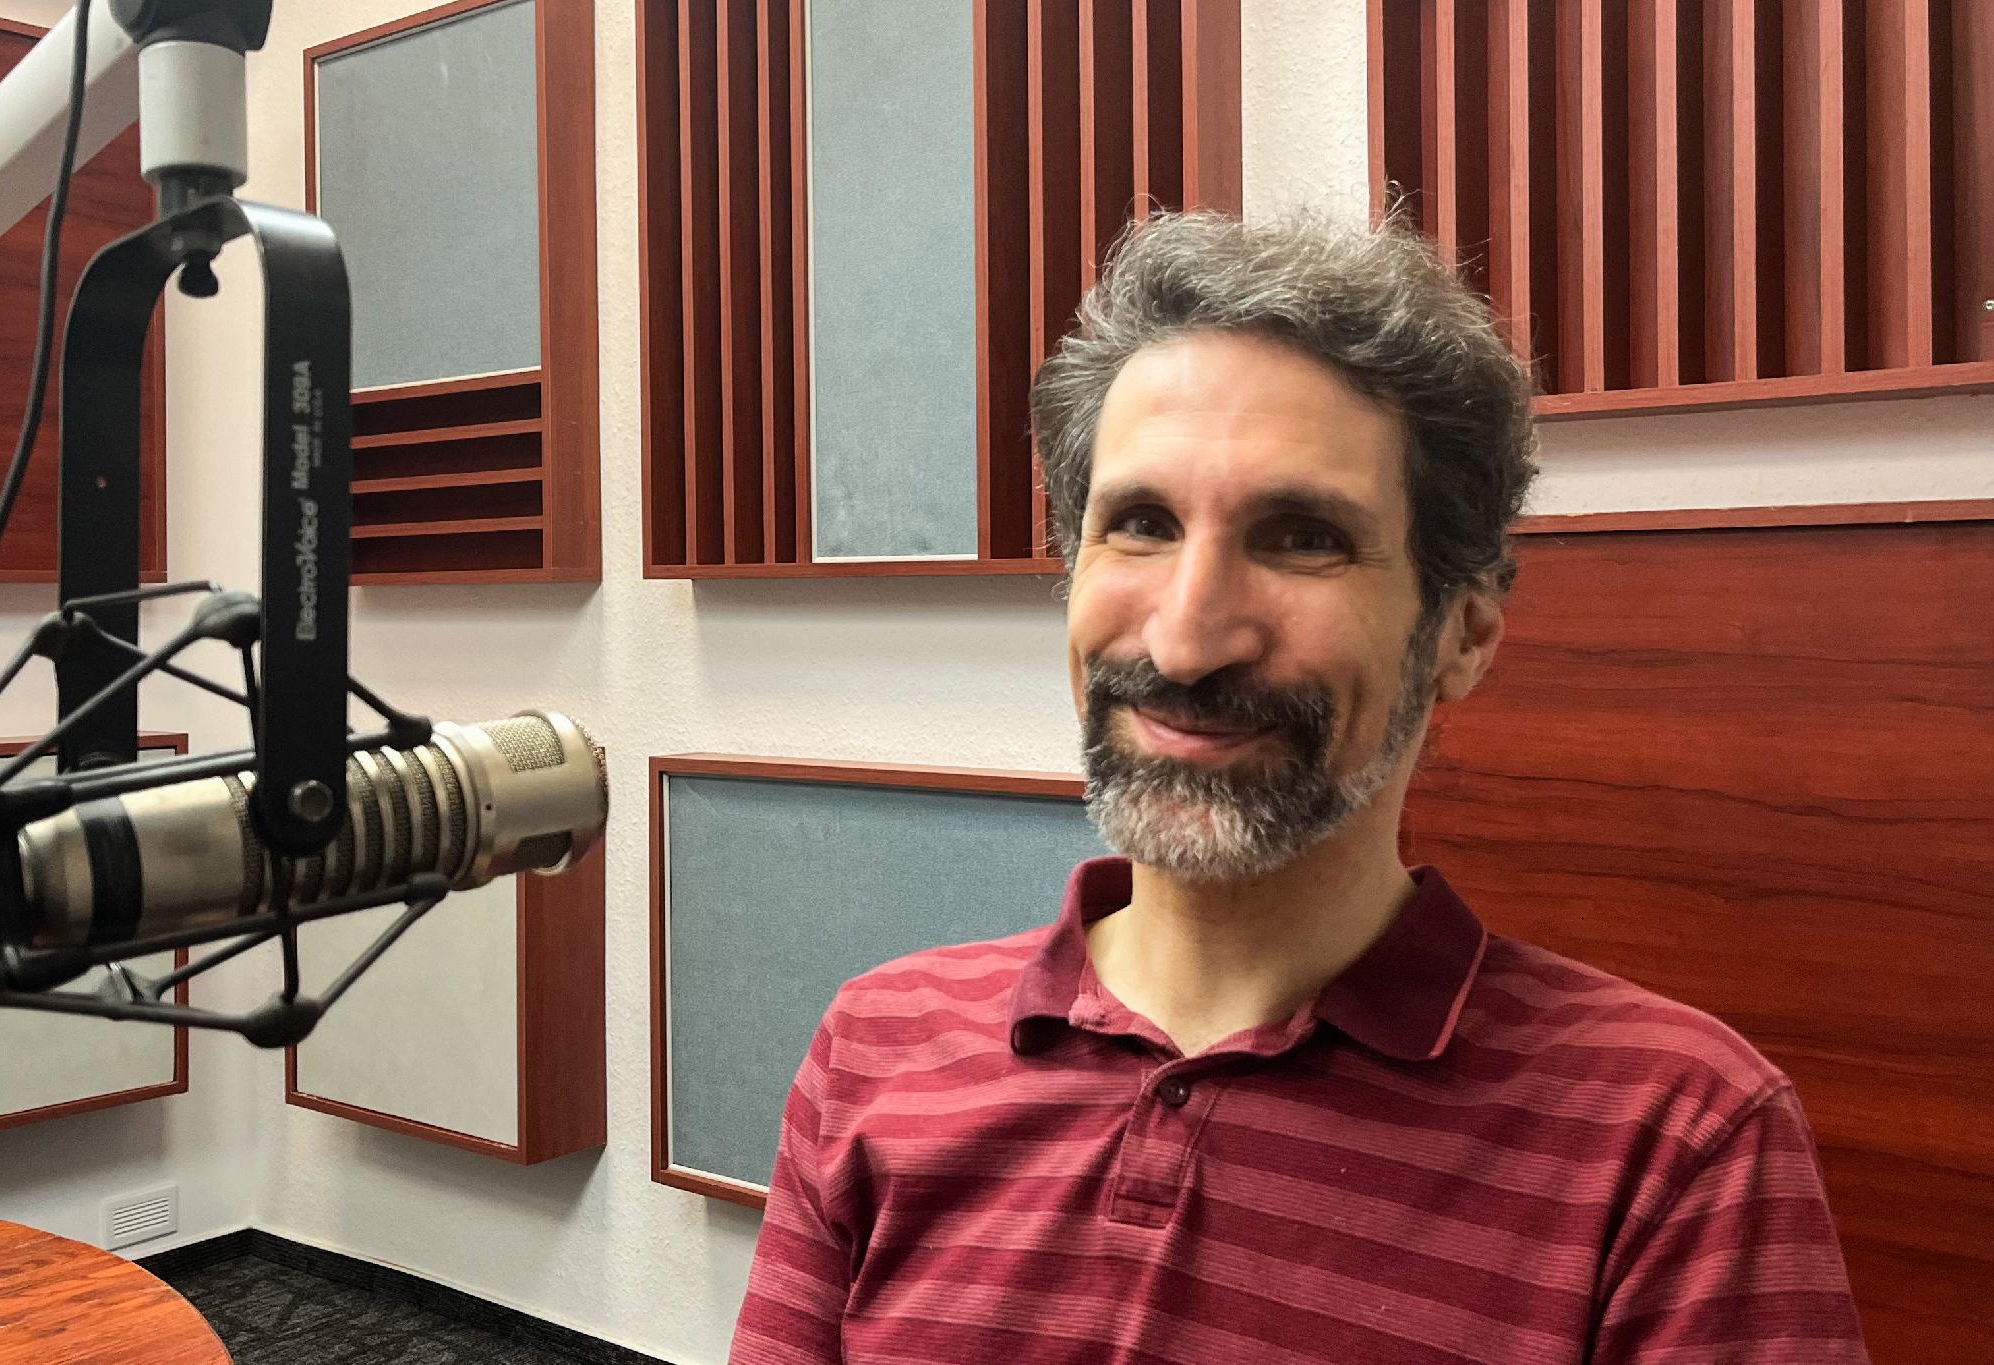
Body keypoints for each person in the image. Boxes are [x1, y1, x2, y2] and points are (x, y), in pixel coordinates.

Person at [729, 212, 1869, 1363]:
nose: (1184, 644)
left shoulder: (1677, 1146)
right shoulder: (877, 1041)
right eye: (1139, 524)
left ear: (1461, 636)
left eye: (1301, 538)